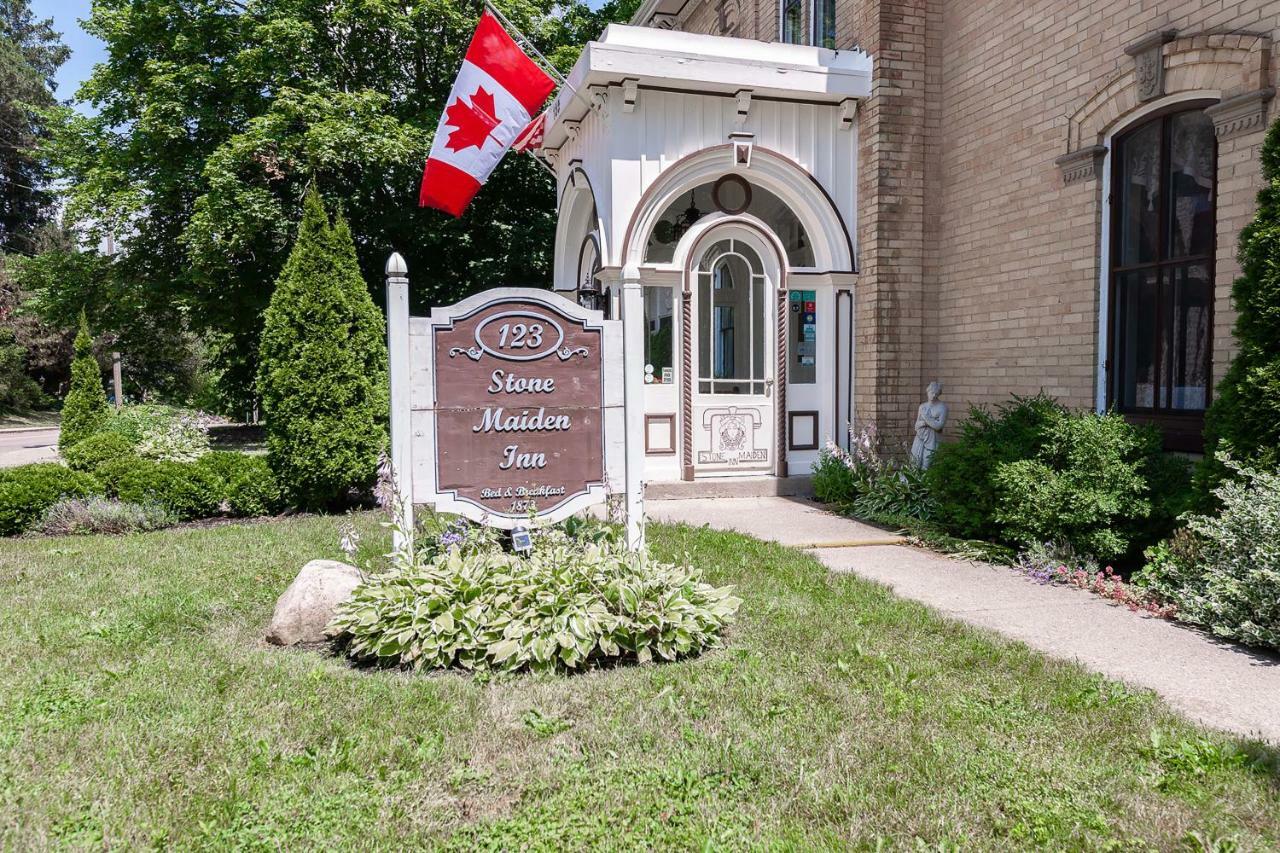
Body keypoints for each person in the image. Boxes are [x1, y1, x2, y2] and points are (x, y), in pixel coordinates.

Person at [910, 381, 947, 469]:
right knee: (914, 462)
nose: (934, 395)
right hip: (920, 438)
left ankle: (926, 482)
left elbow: (939, 426)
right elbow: (916, 426)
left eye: (936, 393)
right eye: (932, 392)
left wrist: (926, 419)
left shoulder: (942, 408)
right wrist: (927, 422)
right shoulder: (922, 406)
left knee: (927, 464)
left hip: (933, 440)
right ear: (928, 391)